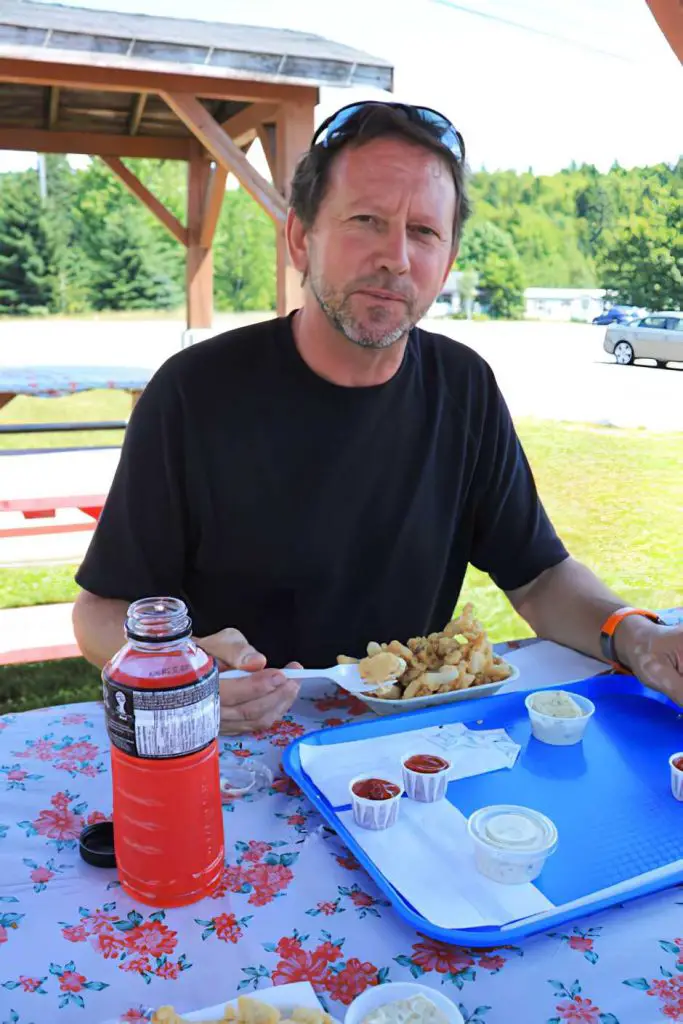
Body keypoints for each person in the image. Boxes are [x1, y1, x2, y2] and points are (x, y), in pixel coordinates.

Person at [73, 101, 683, 733]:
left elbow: (541, 578)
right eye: (366, 220)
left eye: (424, 232)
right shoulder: (195, 391)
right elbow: (99, 610)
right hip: (230, 745)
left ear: (445, 264)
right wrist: (178, 670)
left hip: (405, 747)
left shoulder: (463, 386)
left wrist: (636, 637)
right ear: (301, 239)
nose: (396, 256)